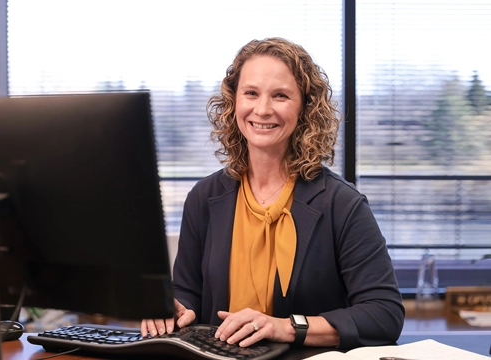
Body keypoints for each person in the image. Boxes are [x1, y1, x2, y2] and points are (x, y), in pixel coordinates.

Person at [141, 37, 405, 349]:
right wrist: (172, 310)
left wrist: (287, 327)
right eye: (251, 93)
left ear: (306, 107)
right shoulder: (203, 197)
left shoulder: (342, 204)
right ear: (234, 102)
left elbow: (384, 314)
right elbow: (187, 292)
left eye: (280, 95)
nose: (262, 109)